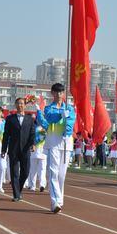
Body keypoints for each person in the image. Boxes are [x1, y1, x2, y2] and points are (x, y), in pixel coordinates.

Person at [35, 83, 76, 214]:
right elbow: (50, 118)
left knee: (61, 175)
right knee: (53, 173)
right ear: (52, 93)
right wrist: (60, 115)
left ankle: (60, 200)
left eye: (61, 92)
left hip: (66, 144)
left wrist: (67, 129)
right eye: (56, 92)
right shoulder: (48, 108)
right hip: (53, 143)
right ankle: (55, 202)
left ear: (63, 94)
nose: (59, 95)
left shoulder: (69, 108)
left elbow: (72, 120)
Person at [1, 97, 36, 201]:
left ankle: (18, 189)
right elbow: (6, 135)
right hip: (13, 149)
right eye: (18, 103)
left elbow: (32, 133)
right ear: (15, 105)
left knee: (26, 172)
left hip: (25, 149)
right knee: (14, 172)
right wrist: (4, 149)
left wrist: (33, 144)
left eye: (22, 103)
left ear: (25, 105)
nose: (20, 105)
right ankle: (16, 195)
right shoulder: (10, 119)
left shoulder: (30, 119)